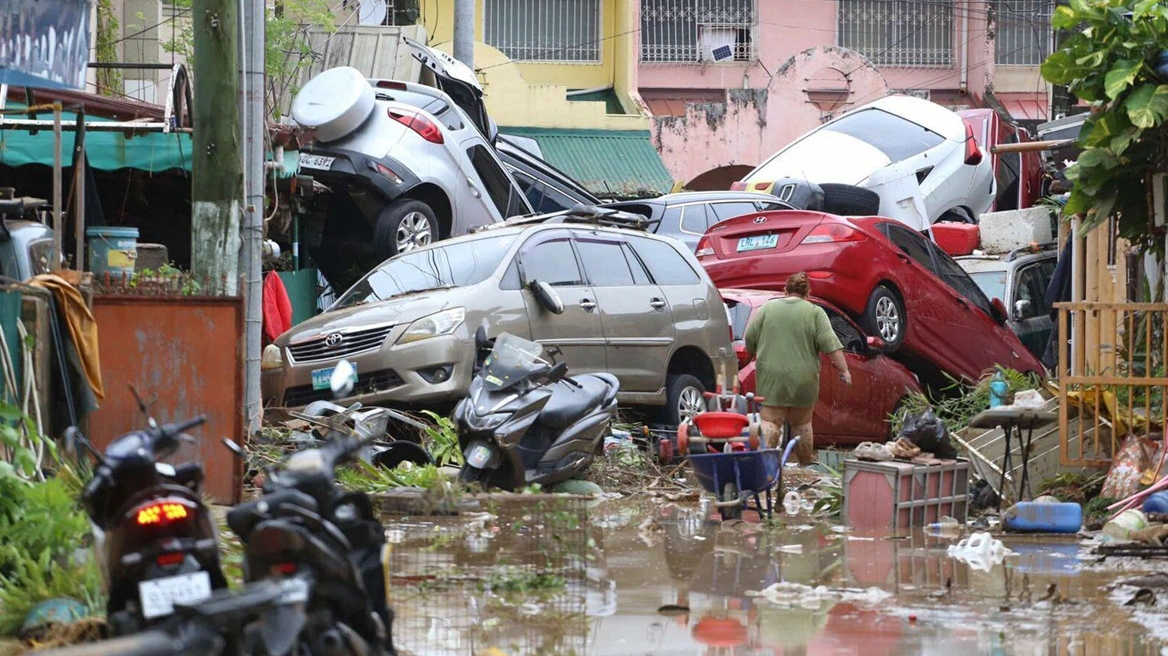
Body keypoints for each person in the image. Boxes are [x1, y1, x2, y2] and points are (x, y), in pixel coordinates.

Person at [744, 272, 851, 465]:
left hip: (771, 377)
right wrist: (844, 370)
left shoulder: (767, 308)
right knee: (802, 424)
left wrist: (752, 352)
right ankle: (805, 466)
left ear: (784, 290)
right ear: (807, 293)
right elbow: (830, 344)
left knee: (770, 422)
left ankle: (765, 466)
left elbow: (749, 339)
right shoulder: (815, 312)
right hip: (804, 379)